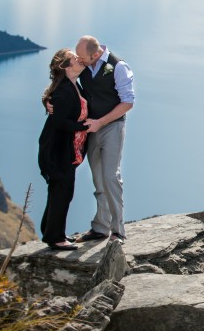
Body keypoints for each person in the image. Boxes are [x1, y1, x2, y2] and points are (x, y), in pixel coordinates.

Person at [72, 35, 135, 243]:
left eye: (82, 57)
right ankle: (100, 227)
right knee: (98, 178)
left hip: (113, 127)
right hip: (92, 129)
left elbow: (127, 102)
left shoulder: (118, 67)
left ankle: (118, 230)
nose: (79, 60)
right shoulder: (84, 64)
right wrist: (49, 101)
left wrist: (102, 122)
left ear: (96, 54)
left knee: (110, 177)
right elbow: (66, 78)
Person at [37, 49, 90, 250]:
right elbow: (60, 123)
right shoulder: (65, 90)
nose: (79, 59)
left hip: (65, 149)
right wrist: (86, 126)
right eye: (75, 58)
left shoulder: (72, 85)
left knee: (59, 191)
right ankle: (56, 237)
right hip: (59, 151)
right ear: (66, 66)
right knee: (62, 192)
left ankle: (50, 232)